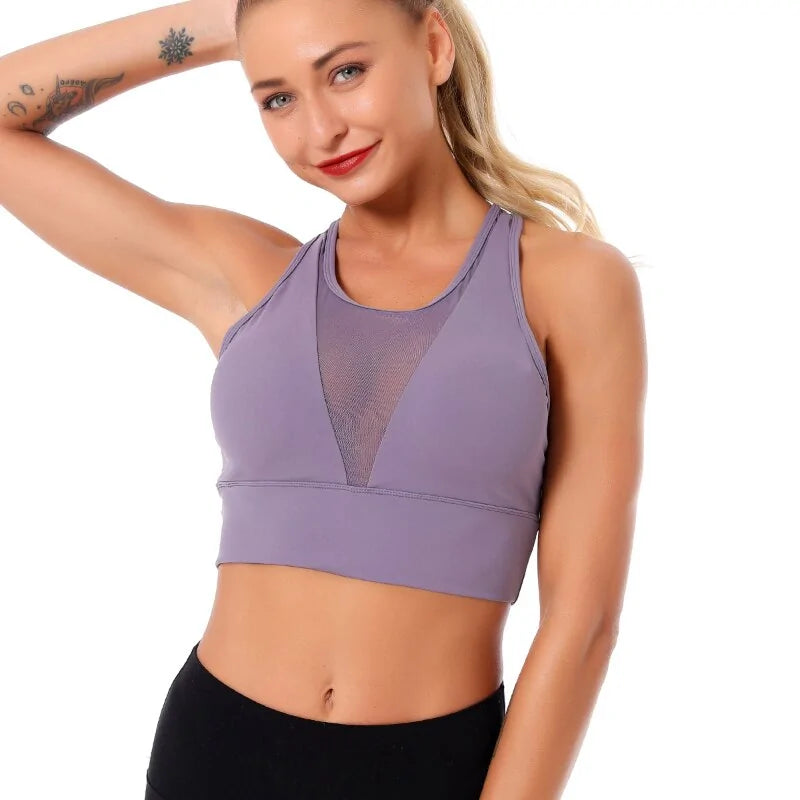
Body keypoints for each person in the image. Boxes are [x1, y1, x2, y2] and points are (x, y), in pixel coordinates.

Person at [0, 0, 647, 797]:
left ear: (434, 45)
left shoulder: (569, 283)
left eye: (346, 72)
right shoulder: (249, 276)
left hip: (429, 770)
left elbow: (583, 622)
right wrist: (233, 21)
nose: (321, 130)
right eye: (278, 97)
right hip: (215, 753)